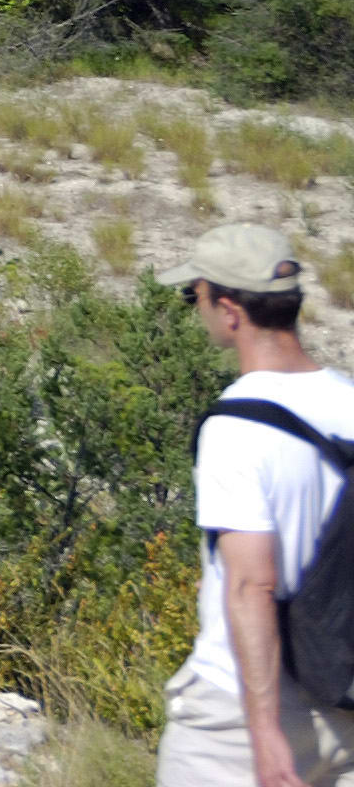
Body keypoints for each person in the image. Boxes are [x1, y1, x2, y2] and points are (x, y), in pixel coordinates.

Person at [163, 223, 354, 787]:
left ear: (228, 310)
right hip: (343, 694)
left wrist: (264, 731)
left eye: (193, 295)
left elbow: (251, 586)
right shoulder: (349, 400)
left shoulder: (235, 426)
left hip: (242, 710)